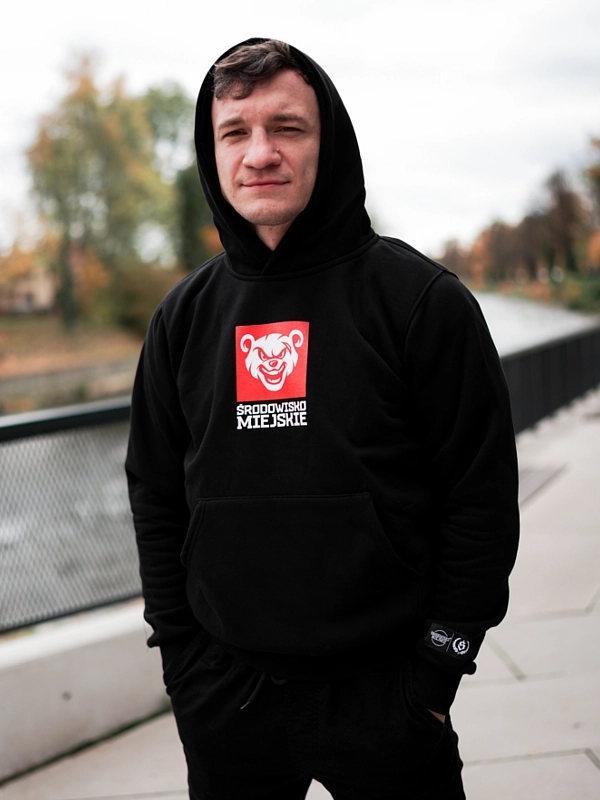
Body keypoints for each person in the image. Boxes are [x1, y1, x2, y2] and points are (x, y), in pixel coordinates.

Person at [126, 38, 520, 800]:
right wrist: (183, 665)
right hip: (227, 701)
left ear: (326, 140)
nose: (260, 153)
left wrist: (436, 674)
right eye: (235, 132)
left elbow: (480, 498)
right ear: (212, 154)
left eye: (287, 128)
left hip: (389, 700)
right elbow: (154, 494)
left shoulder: (421, 302)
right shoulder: (182, 319)